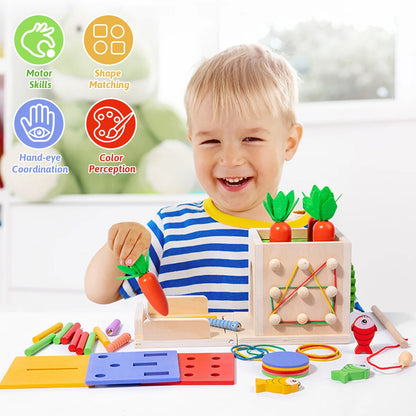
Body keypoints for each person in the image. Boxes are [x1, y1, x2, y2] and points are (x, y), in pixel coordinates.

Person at [85, 44, 303, 312]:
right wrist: (117, 247)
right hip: (184, 355)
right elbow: (99, 292)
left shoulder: (311, 232)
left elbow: (340, 311)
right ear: (192, 142)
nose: (230, 159)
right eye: (211, 140)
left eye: (251, 139)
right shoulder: (171, 228)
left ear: (289, 143)